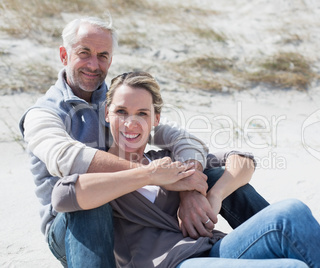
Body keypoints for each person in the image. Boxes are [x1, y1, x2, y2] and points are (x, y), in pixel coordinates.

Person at [19, 17, 268, 267]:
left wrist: (189, 187)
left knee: (213, 175)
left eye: (103, 55)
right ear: (64, 55)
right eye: (84, 53)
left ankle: (273, 242)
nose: (94, 64)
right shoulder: (42, 114)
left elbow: (180, 137)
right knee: (93, 204)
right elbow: (67, 160)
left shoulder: (119, 98)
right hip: (70, 223)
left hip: (126, 212)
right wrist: (151, 174)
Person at [62, 71, 320, 267]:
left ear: (156, 119)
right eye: (121, 112)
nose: (131, 123)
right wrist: (149, 175)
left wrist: (212, 195)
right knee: (292, 267)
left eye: (142, 113)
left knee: (291, 212)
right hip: (172, 264)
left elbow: (242, 160)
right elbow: (63, 197)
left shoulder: (166, 157)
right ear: (107, 112)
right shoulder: (99, 166)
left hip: (213, 251)